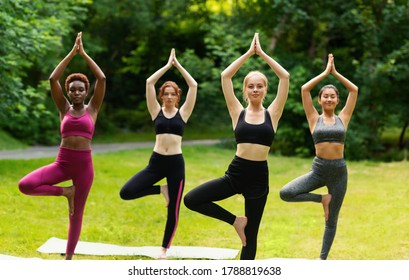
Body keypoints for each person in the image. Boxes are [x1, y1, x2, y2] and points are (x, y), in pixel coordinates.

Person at [184, 33, 289, 260]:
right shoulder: (237, 112)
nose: (255, 89)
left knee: (250, 238)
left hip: (259, 177)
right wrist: (249, 54)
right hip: (236, 173)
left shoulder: (273, 113)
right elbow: (225, 76)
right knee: (191, 199)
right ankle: (235, 221)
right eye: (250, 86)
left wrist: (262, 54)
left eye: (259, 86)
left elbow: (285, 77)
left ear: (265, 90)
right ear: (245, 90)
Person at [18, 32, 106, 260]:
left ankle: (68, 258)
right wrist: (71, 53)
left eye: (81, 89)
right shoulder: (63, 109)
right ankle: (67, 192)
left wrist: (84, 54)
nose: (77, 92)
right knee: (25, 185)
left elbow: (102, 79)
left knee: (76, 215)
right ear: (68, 91)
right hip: (62, 163)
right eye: (73, 89)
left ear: (86, 91)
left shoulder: (93, 109)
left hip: (84, 167)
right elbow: (52, 79)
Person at [119, 48, 197, 260]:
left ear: (177, 97)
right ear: (161, 96)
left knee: (173, 209)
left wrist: (178, 66)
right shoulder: (156, 111)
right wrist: (167, 65)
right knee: (126, 192)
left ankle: (164, 248)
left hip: (176, 164)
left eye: (173, 93)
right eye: (166, 93)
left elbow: (193, 85)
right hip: (156, 163)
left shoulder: (184, 113)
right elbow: (149, 83)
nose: (170, 96)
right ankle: (161, 189)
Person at [279, 53, 358, 260]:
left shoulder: (344, 118)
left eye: (333, 96)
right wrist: (325, 73)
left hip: (339, 172)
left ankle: (322, 259)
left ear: (338, 100)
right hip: (319, 170)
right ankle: (322, 199)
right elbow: (304, 89)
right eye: (326, 96)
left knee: (332, 220)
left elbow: (354, 89)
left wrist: (335, 73)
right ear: (320, 99)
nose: (329, 99)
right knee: (286, 193)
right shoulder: (314, 118)